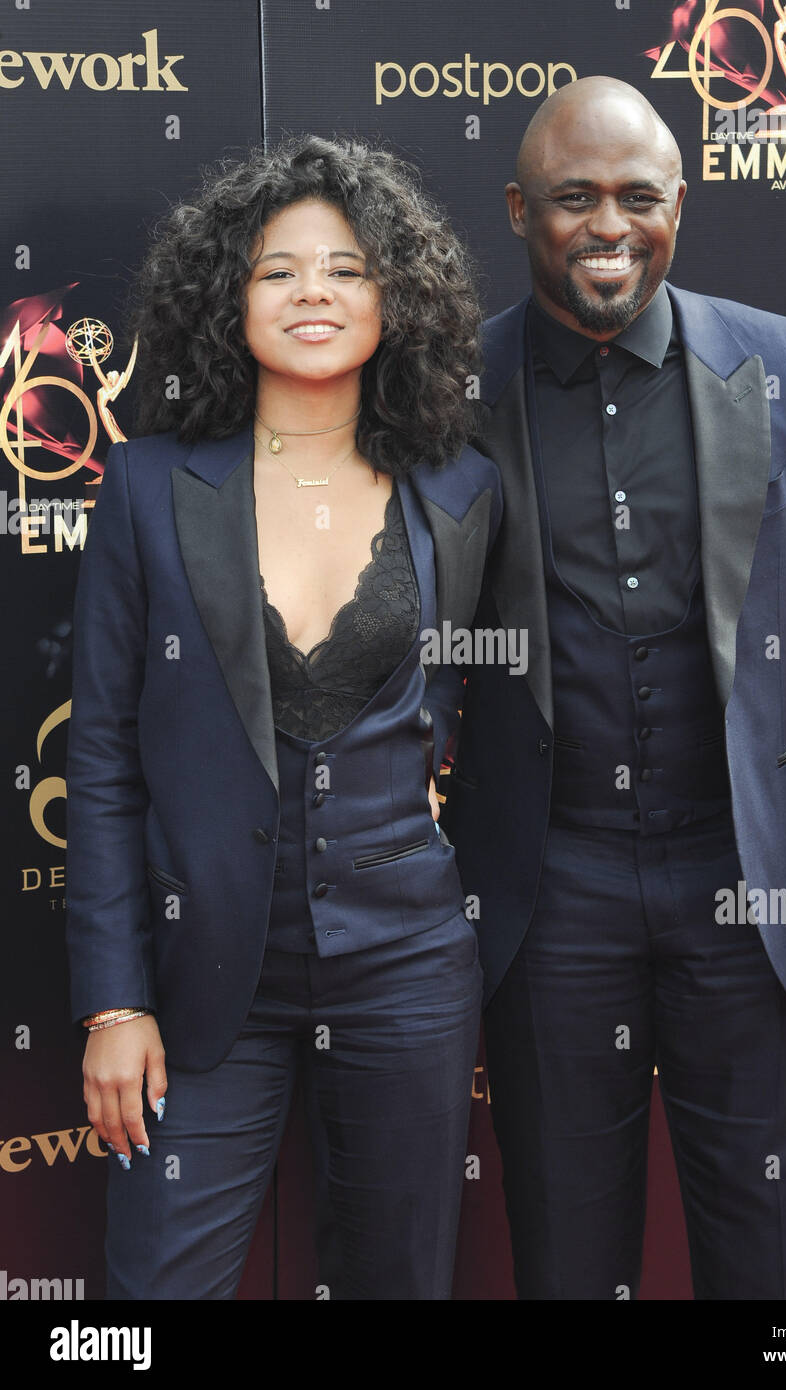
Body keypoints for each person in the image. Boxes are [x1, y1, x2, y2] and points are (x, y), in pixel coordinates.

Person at [438, 77, 786, 1299]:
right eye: (574, 199)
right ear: (517, 209)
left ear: (680, 205)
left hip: (749, 886)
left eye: (638, 196)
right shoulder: (449, 391)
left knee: (776, 1262)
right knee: (566, 1257)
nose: (610, 225)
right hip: (549, 899)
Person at [65, 134, 500, 1300]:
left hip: (408, 965)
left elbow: (482, 707)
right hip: (206, 979)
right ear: (228, 300)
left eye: (348, 268)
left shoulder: (460, 488)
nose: (314, 291)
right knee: (151, 1296)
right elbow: (101, 757)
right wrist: (115, 1000)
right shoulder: (149, 486)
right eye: (278, 270)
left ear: (393, 298)